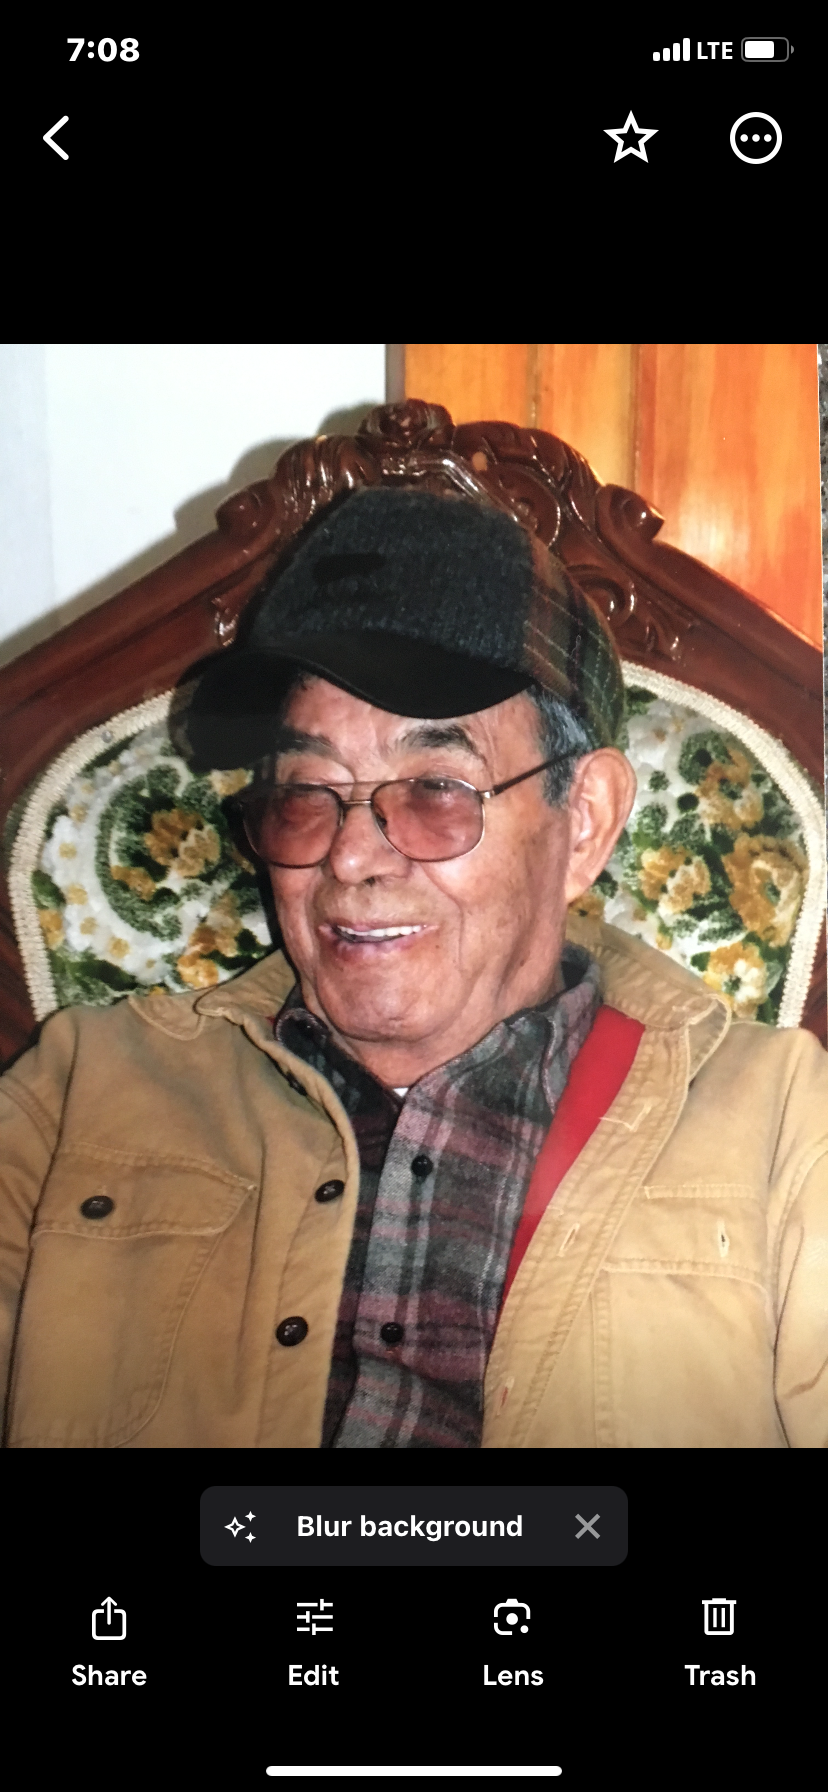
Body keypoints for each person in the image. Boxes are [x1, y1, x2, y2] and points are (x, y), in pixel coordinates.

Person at [1, 486, 826, 1449]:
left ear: (586, 821)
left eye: (435, 790)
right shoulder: (80, 1091)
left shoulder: (779, 1128)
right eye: (306, 793)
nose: (350, 859)